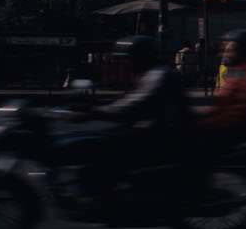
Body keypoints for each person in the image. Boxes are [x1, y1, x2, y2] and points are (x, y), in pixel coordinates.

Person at [65, 35, 191, 195]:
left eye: (128, 59)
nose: (126, 65)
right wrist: (94, 106)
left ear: (140, 58)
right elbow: (127, 100)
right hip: (156, 129)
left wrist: (92, 113)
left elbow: (133, 105)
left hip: (163, 135)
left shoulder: (157, 76)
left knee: (107, 149)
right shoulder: (151, 73)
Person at [194, 30, 246, 158]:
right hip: (227, 122)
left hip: (234, 127)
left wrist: (206, 120)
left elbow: (239, 108)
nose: (225, 54)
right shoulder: (241, 69)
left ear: (243, 51)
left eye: (231, 50)